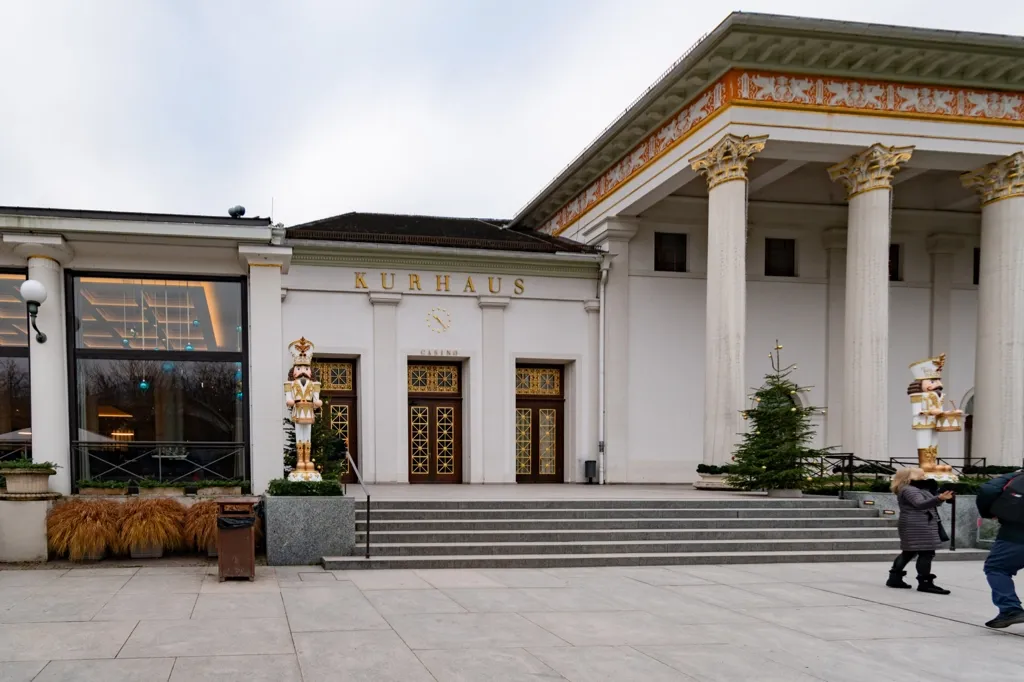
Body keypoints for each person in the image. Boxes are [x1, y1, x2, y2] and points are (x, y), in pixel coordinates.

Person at [886, 467, 954, 593]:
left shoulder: (916, 488)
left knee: (909, 552)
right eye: (920, 476)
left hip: (918, 524)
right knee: (926, 552)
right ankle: (925, 583)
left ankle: (894, 578)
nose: (924, 478)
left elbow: (930, 503)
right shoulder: (909, 489)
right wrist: (939, 498)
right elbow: (920, 504)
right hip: (918, 525)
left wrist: (941, 498)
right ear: (908, 477)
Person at [976, 469, 1024, 629]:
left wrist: (989, 513)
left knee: (996, 568)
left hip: (1016, 533)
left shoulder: (1017, 477)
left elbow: (988, 489)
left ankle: (1010, 609)